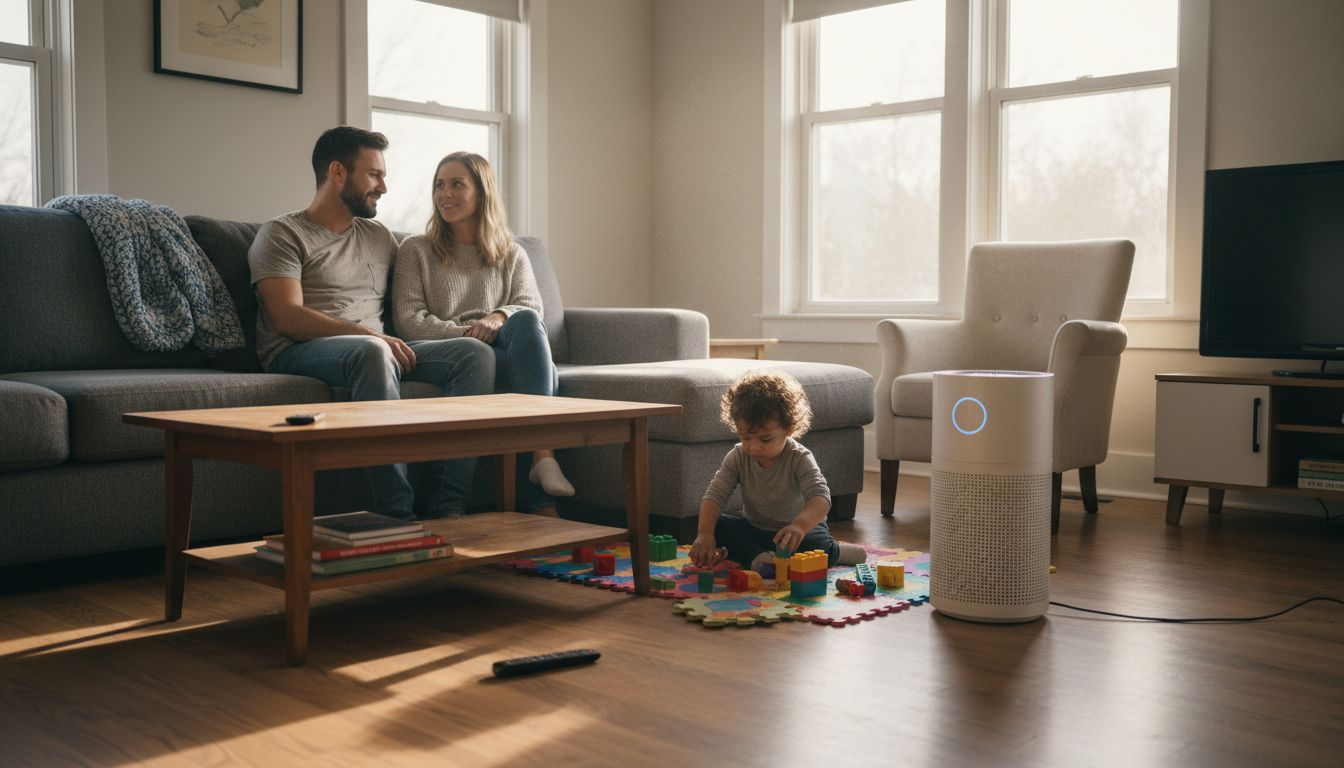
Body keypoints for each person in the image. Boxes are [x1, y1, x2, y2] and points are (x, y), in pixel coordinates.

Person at [248, 127, 495, 520]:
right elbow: (287, 317)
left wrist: (495, 313)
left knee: (474, 354)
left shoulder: (380, 237)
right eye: (375, 175)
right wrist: (369, 336)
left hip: (373, 349)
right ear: (338, 173)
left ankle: (449, 506)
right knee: (373, 349)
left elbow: (428, 284)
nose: (384, 187)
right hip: (298, 351)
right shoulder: (282, 233)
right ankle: (395, 512)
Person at [391, 151, 573, 514]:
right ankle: (542, 476)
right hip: (441, 350)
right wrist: (470, 332)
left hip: (502, 347)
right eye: (440, 185)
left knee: (522, 321)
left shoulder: (512, 253)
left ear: (482, 193)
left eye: (457, 184)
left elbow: (530, 309)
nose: (445, 194)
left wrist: (499, 316)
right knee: (543, 371)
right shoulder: (416, 249)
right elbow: (408, 320)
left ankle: (541, 461)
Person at [688, 371, 865, 573]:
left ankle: (838, 552)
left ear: (789, 428)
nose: (753, 447)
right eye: (745, 437)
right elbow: (715, 495)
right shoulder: (738, 456)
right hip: (755, 528)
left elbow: (821, 498)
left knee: (818, 548)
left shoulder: (799, 458)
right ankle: (759, 557)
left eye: (765, 439)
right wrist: (704, 534)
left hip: (798, 532)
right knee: (716, 525)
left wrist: (799, 526)